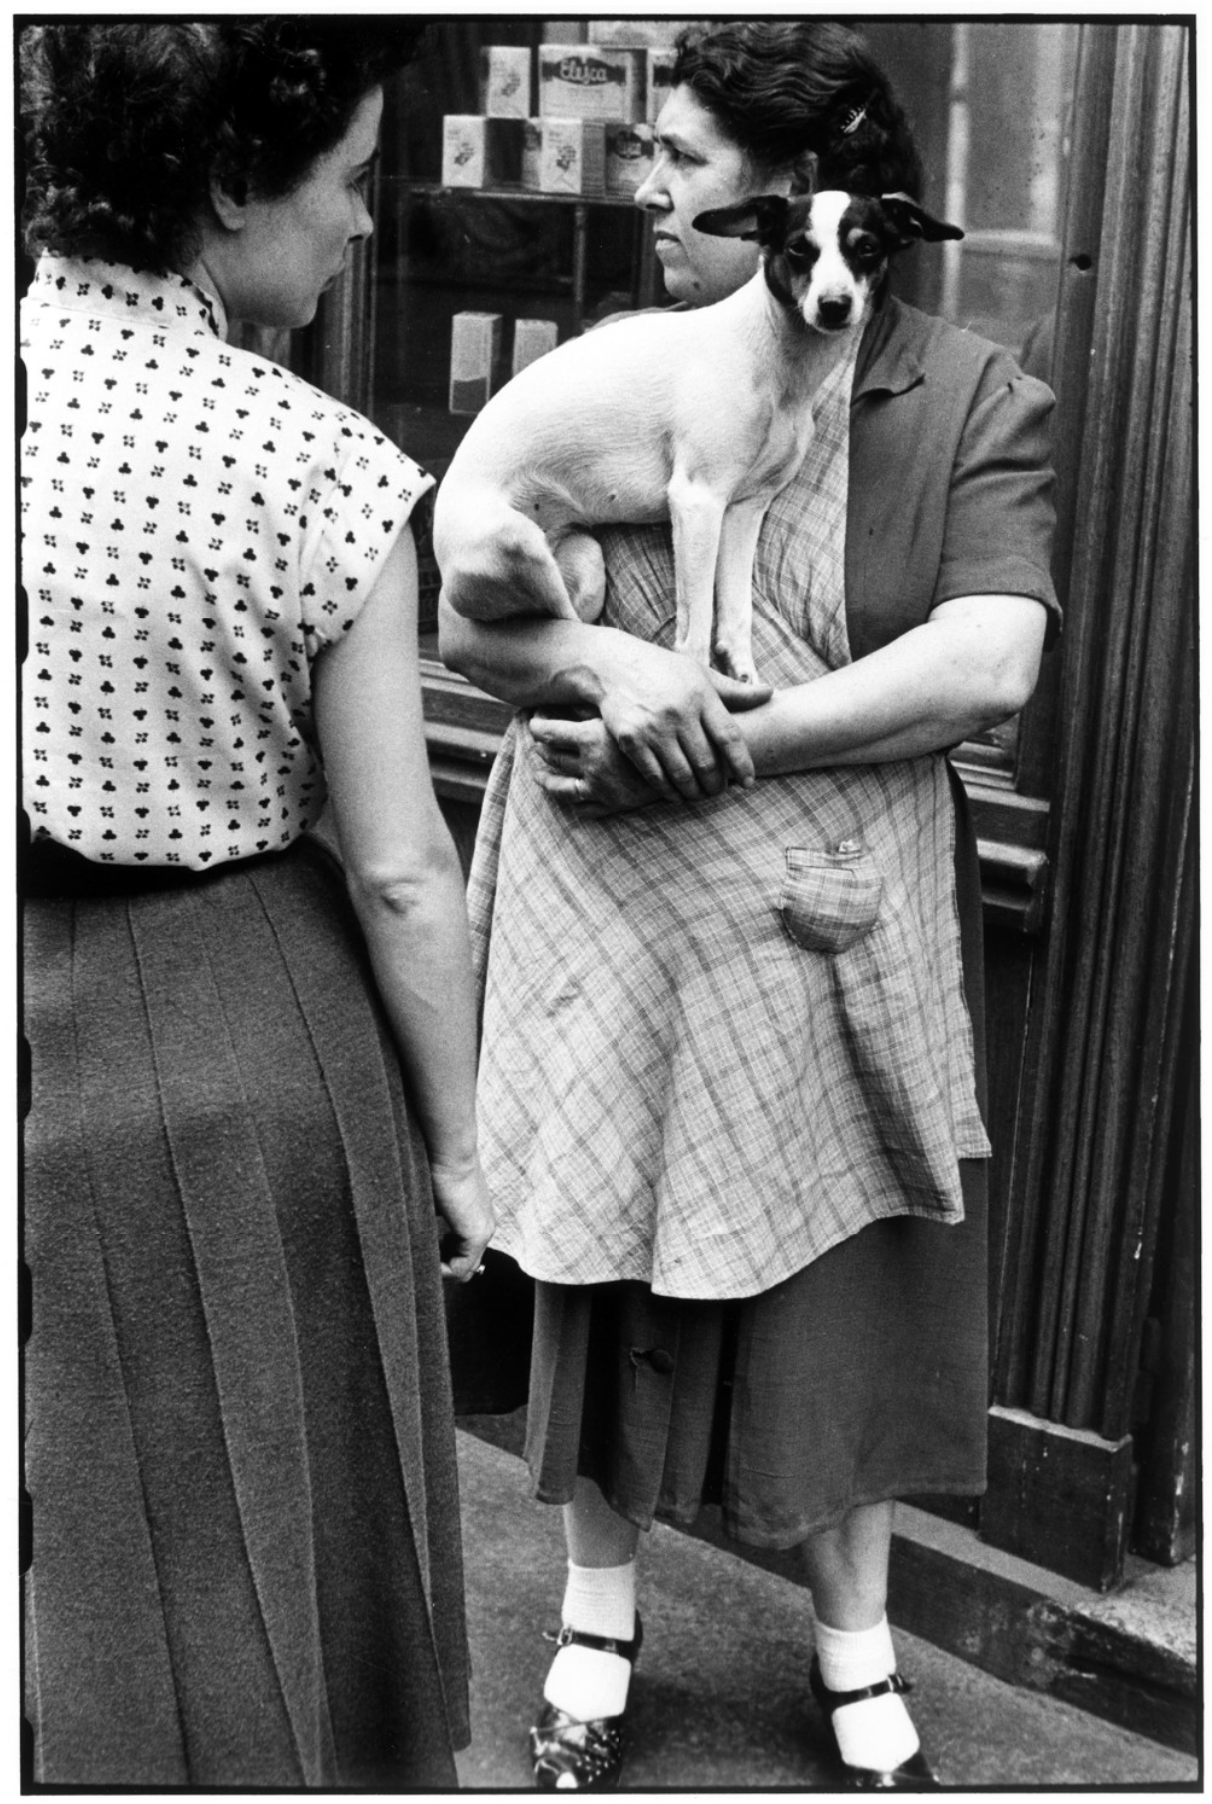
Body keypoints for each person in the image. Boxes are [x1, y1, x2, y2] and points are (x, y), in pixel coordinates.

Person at [439, 18, 1059, 1792]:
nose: (647, 188)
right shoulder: (638, 369)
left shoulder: (965, 394)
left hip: (828, 902)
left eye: (686, 160)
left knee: (839, 1281)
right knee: (610, 1270)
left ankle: (859, 1656)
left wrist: (730, 738)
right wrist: (616, 677)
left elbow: (984, 660)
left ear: (826, 186)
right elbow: (472, 618)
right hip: (617, 901)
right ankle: (596, 1623)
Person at [20, 21, 494, 1788]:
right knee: (268, 1576)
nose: (367, 227)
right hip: (237, 1046)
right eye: (355, 181)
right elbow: (399, 868)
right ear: (229, 183)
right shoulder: (323, 471)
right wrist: (457, 1151)